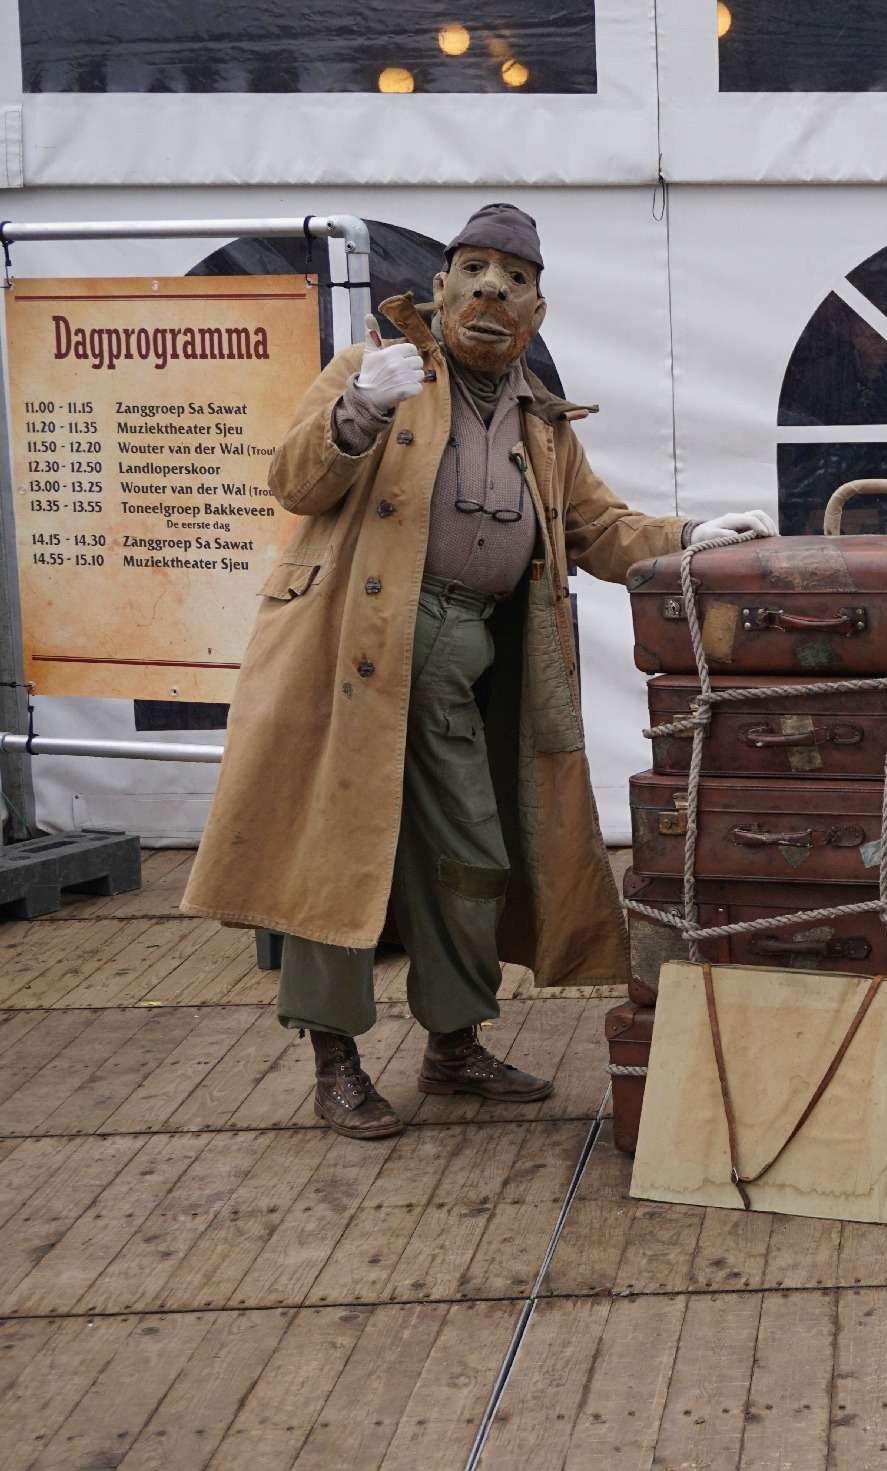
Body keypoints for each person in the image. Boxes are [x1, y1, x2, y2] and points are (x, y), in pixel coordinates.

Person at [183, 204, 775, 1137]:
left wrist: (692, 536)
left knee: (473, 860)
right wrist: (359, 408)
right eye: (474, 270)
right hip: (348, 656)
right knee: (338, 855)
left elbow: (598, 529)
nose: (492, 289)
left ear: (538, 310)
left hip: (462, 667)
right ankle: (335, 1063)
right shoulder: (377, 371)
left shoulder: (542, 424)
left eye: (515, 278)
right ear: (442, 285)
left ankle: (452, 1046)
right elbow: (294, 482)